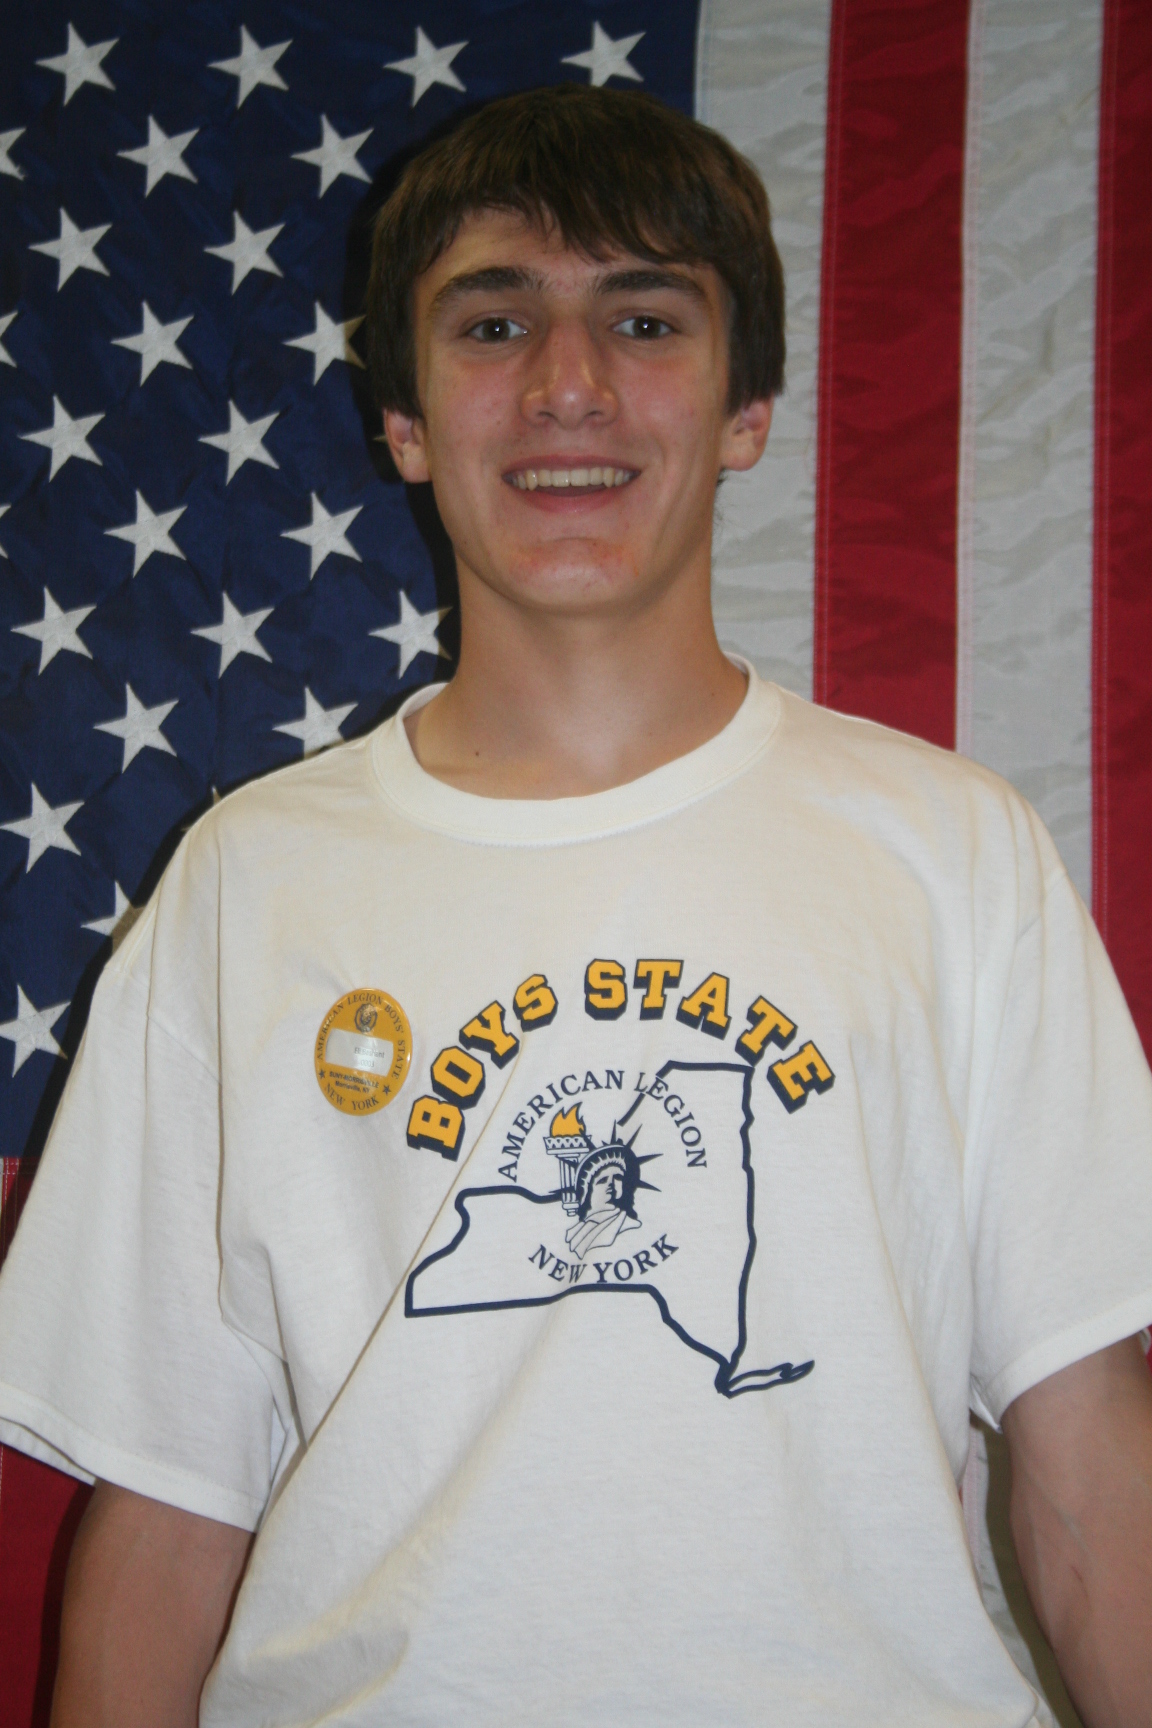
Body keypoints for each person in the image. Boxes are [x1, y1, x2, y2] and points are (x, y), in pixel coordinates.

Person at [0, 82, 1149, 1728]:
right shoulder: (248, 884)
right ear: (404, 421)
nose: (568, 385)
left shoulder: (953, 851)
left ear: (747, 409)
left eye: (644, 319)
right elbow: (172, 1508)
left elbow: (1088, 1448)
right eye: (492, 323)